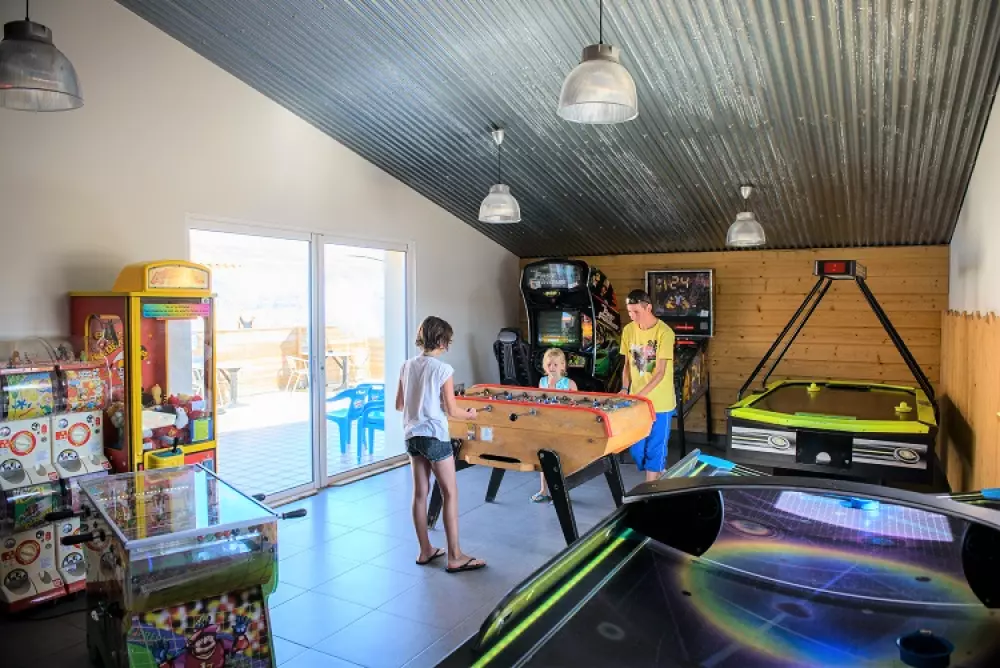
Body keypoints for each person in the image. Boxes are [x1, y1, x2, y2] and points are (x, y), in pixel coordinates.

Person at [396, 316, 486, 573]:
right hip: (435, 435)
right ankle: (455, 556)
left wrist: (422, 401)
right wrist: (471, 414)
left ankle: (425, 550)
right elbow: (452, 410)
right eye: (448, 340)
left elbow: (399, 405)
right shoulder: (443, 370)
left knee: (419, 493)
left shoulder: (406, 366)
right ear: (441, 341)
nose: (448, 344)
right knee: (450, 492)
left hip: (412, 436)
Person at [620, 289, 676, 482]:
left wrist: (639, 395)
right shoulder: (628, 331)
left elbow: (660, 372)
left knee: (655, 447)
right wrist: (625, 388)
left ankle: (650, 487)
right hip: (637, 401)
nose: (632, 316)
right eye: (629, 312)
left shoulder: (665, 333)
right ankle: (658, 469)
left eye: (636, 312)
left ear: (648, 308)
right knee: (636, 449)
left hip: (661, 402)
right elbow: (626, 365)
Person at [531, 348, 578, 503]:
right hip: (545, 424)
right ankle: (543, 490)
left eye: (555, 364)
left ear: (563, 366)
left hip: (563, 425)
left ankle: (562, 493)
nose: (552, 367)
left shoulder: (569, 384)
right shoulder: (542, 381)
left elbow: (576, 407)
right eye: (549, 364)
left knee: (561, 460)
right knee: (543, 457)